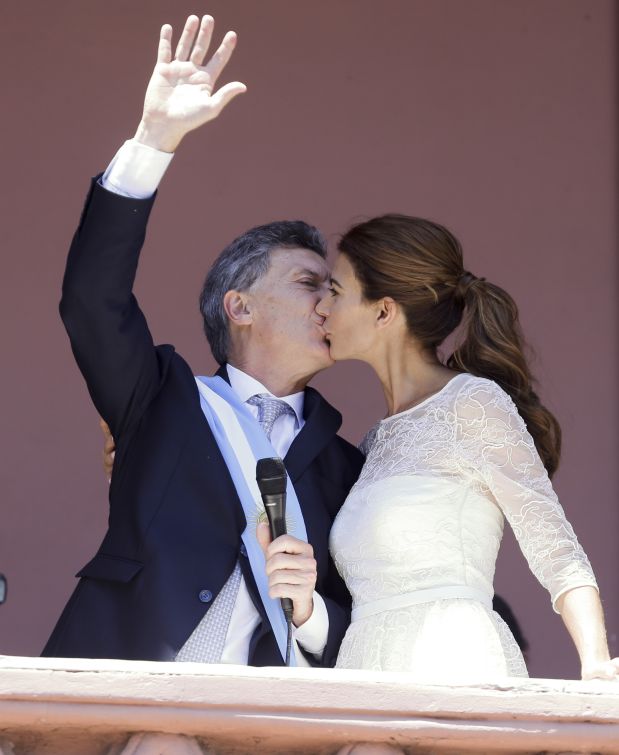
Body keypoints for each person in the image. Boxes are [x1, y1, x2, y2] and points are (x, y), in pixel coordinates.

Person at [43, 14, 363, 667]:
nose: (329, 302)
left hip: (269, 720)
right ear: (239, 306)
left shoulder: (349, 468)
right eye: (309, 283)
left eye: (334, 288)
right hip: (135, 687)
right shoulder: (159, 402)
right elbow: (91, 300)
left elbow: (368, 618)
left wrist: (311, 612)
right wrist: (153, 139)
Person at [316, 214, 619, 681]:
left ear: (383, 311)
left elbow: (554, 547)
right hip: (367, 671)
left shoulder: (472, 404)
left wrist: (596, 663)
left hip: (451, 659)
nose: (322, 307)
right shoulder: (375, 442)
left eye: (335, 291)